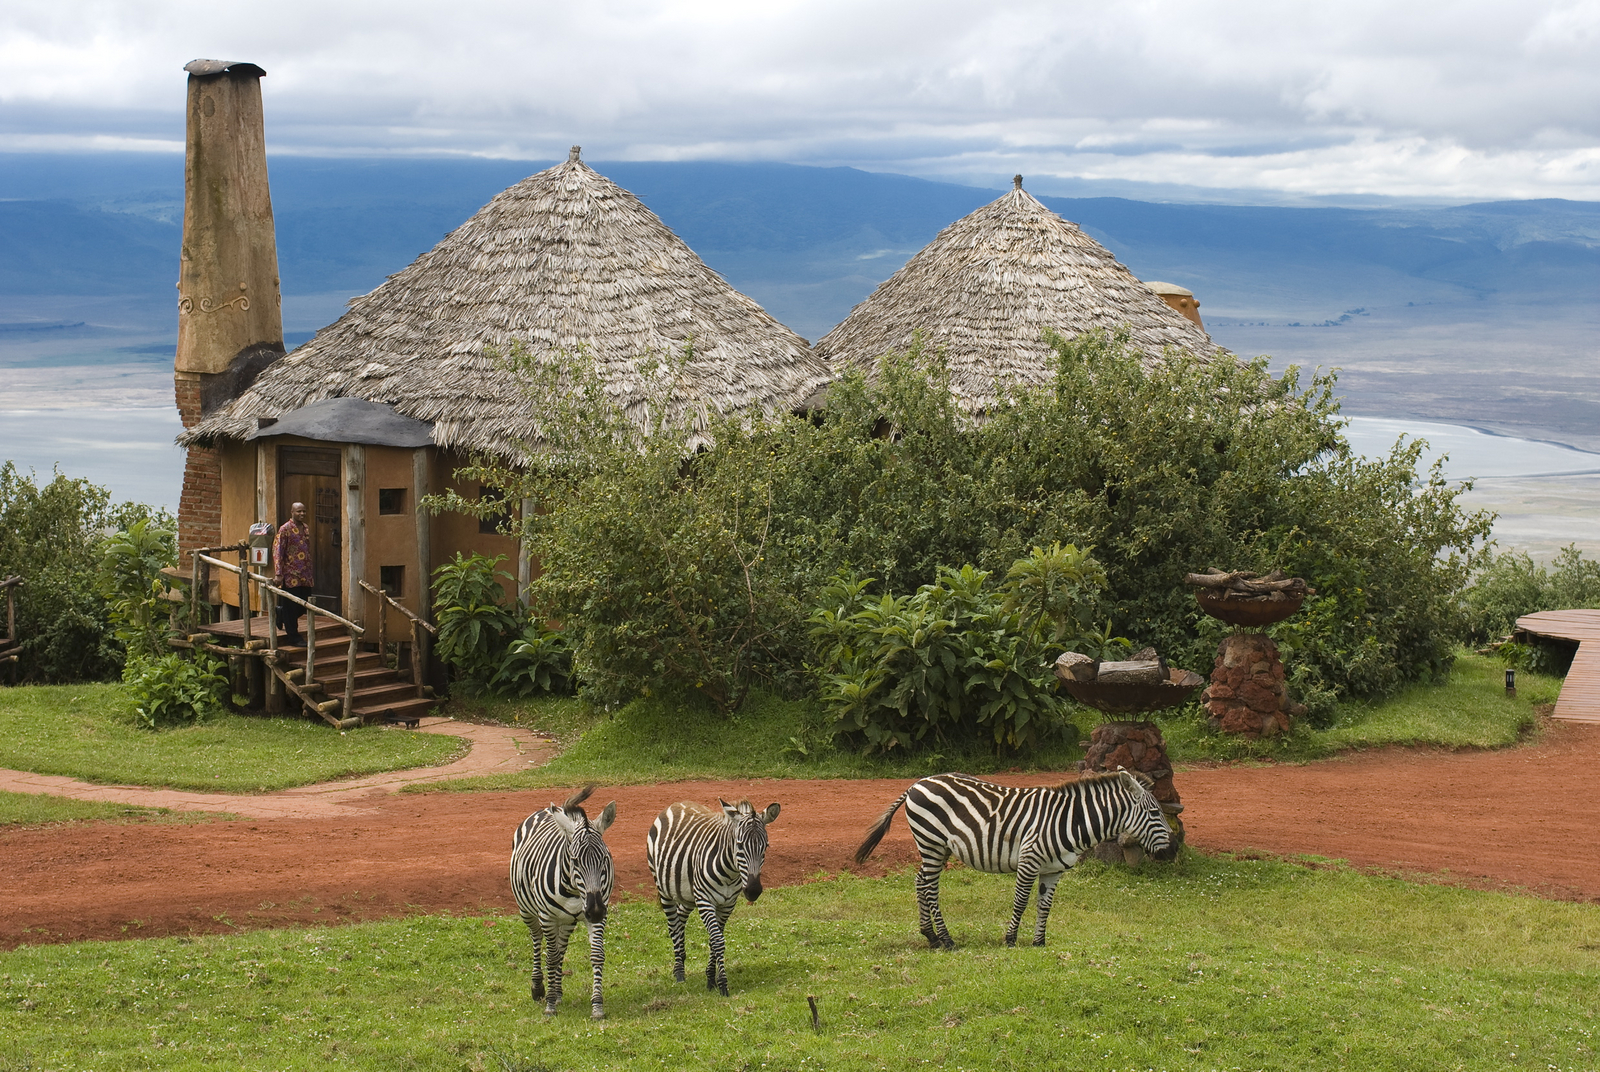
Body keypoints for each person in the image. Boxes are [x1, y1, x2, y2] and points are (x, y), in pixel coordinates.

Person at [272, 501, 315, 645]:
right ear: (292, 512)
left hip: (305, 573)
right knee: (291, 606)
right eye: (298, 511)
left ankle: (281, 614)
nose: (302, 514)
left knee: (303, 604)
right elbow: (278, 552)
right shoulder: (285, 529)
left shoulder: (306, 528)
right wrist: (278, 573)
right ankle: (294, 637)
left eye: (304, 511)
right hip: (290, 574)